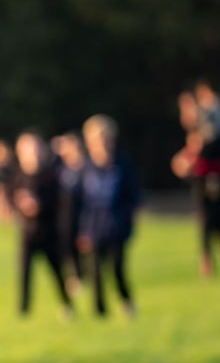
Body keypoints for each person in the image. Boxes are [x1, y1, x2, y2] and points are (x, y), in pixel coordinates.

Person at [172, 82, 220, 277]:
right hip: (204, 177)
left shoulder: (211, 123)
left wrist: (185, 160)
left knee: (214, 220)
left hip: (214, 178)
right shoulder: (200, 131)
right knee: (208, 221)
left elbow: (202, 147)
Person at [79, 114, 140, 318]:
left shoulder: (122, 165)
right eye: (95, 138)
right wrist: (82, 230)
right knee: (95, 273)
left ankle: (127, 302)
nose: (100, 143)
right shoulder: (85, 168)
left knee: (116, 269)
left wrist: (123, 221)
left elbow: (133, 197)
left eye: (104, 137)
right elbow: (80, 202)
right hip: (93, 228)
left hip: (116, 227)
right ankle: (99, 313)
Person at [12, 130, 73, 317]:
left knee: (56, 271)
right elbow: (12, 195)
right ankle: (24, 309)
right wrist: (22, 203)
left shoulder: (50, 174)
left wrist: (40, 205)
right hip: (27, 232)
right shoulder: (19, 175)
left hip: (47, 231)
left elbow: (60, 202)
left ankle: (66, 304)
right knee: (24, 273)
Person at [51, 132, 86, 293]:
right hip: (63, 216)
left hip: (81, 215)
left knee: (79, 247)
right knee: (65, 248)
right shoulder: (59, 168)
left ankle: (81, 276)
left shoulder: (85, 167)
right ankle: (73, 277)